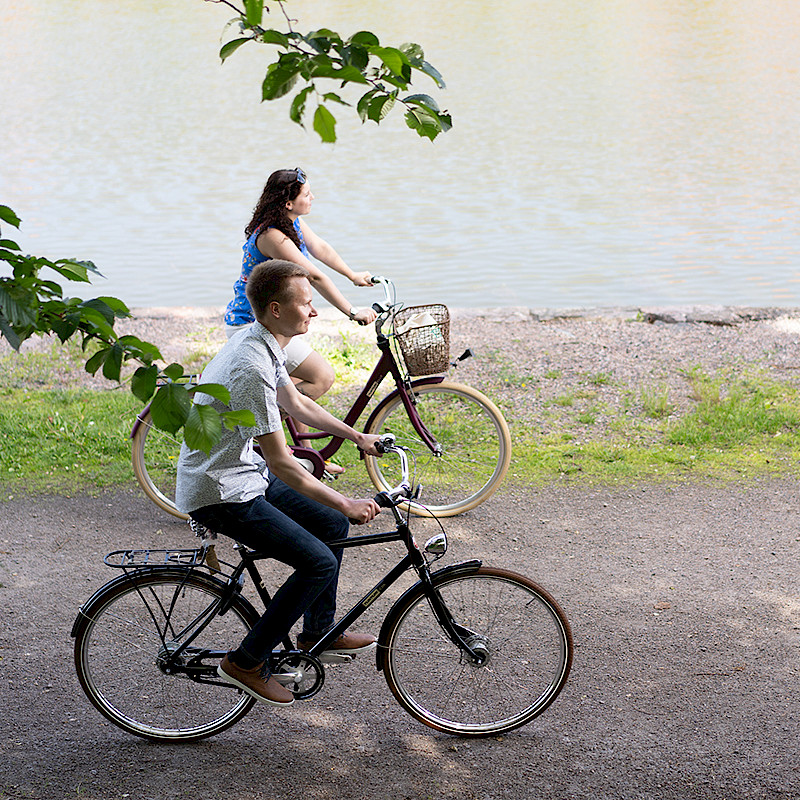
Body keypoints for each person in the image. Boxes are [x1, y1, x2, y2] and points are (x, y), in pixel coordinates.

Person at [177, 259, 383, 707]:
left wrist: (356, 436)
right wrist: (346, 500)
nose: (314, 312)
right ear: (275, 309)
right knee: (319, 562)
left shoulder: (264, 343)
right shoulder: (250, 364)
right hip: (221, 492)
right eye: (307, 304)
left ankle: (319, 632)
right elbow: (285, 464)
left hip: (242, 473)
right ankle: (246, 661)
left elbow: (295, 403)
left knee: (329, 525)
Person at [224, 167, 377, 454]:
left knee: (294, 387)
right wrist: (351, 310)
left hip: (276, 322)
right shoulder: (272, 237)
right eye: (307, 194)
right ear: (288, 202)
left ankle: (307, 455)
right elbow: (314, 276)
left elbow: (321, 248)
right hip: (251, 325)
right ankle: (258, 437)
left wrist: (352, 275)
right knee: (321, 377)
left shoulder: (290, 224)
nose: (313, 197)